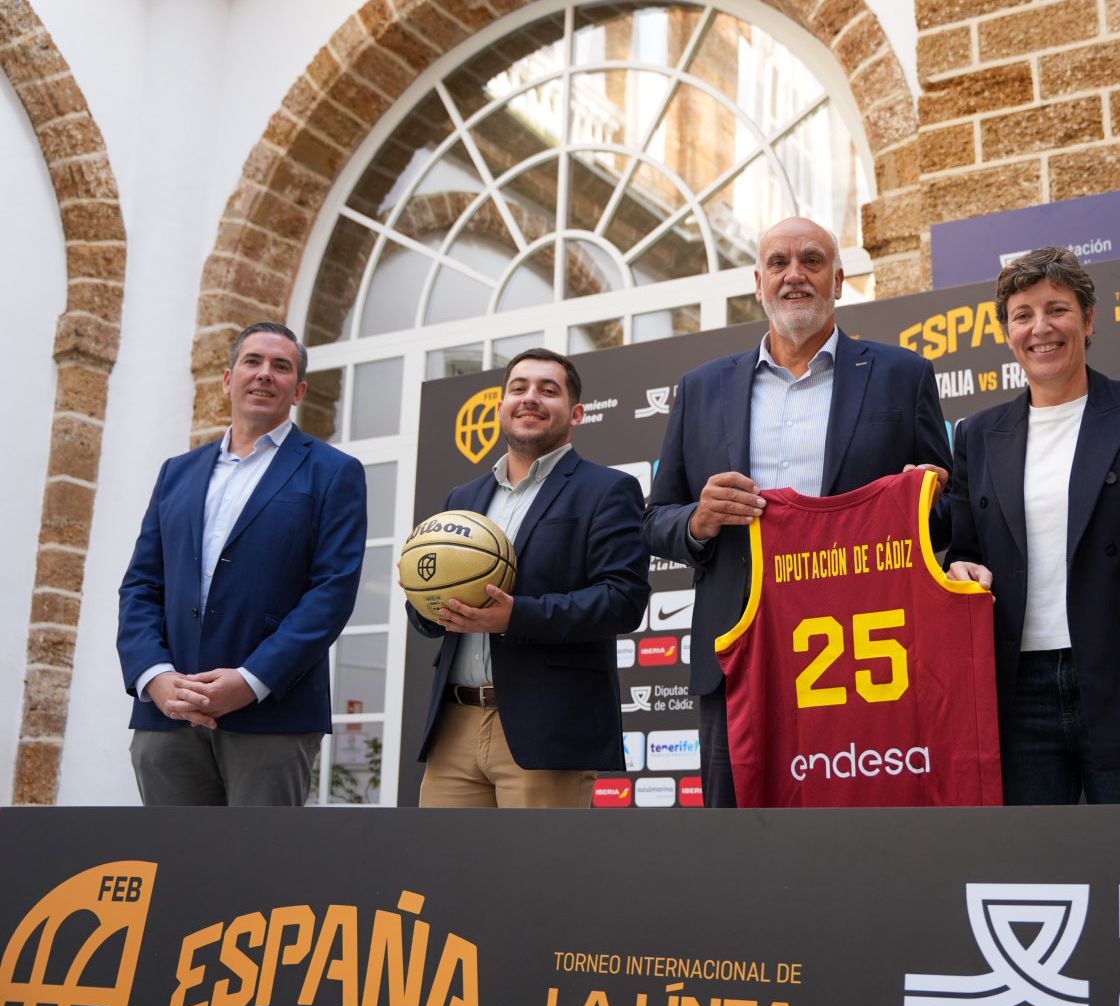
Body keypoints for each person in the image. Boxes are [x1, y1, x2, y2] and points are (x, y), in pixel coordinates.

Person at [644, 216, 952, 807]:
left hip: (864, 657)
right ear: (758, 283)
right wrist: (698, 521)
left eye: (812, 261)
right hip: (738, 654)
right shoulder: (701, 388)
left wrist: (926, 500)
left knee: (862, 833)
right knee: (738, 839)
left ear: (838, 281)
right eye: (779, 263)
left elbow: (949, 510)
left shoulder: (902, 375)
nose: (795, 275)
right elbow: (656, 521)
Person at [945, 247, 1120, 803]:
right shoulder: (976, 434)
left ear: (1088, 320)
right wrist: (958, 566)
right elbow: (963, 551)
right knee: (1034, 858)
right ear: (1007, 333)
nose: (1040, 328)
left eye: (1057, 309)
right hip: (1014, 696)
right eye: (1022, 315)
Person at [117, 322, 366, 805]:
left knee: (260, 856)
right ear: (229, 379)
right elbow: (142, 585)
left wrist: (252, 681)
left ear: (299, 390)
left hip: (272, 717)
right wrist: (154, 676)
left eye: (281, 366)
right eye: (253, 362)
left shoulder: (335, 473)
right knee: (170, 853)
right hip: (168, 715)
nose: (265, 374)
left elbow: (332, 592)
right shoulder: (176, 473)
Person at [407, 348, 649, 807]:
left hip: (547, 728)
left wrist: (515, 616)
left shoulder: (607, 490)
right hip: (454, 725)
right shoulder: (463, 497)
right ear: (501, 407)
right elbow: (430, 618)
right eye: (519, 388)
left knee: (539, 859)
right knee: (439, 857)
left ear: (576, 413)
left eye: (548, 390)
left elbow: (622, 600)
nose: (530, 398)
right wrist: (423, 597)